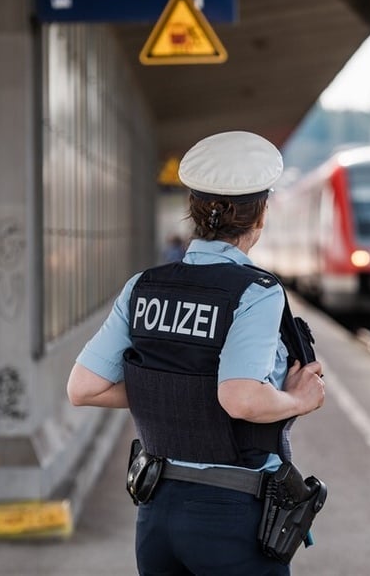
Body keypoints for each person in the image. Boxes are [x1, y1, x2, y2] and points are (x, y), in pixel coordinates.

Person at [67, 131, 326, 575]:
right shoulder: (256, 292)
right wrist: (300, 399)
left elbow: (84, 387)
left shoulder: (142, 287)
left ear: (193, 210)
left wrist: (176, 392)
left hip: (157, 513)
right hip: (233, 515)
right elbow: (240, 398)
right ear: (260, 215)